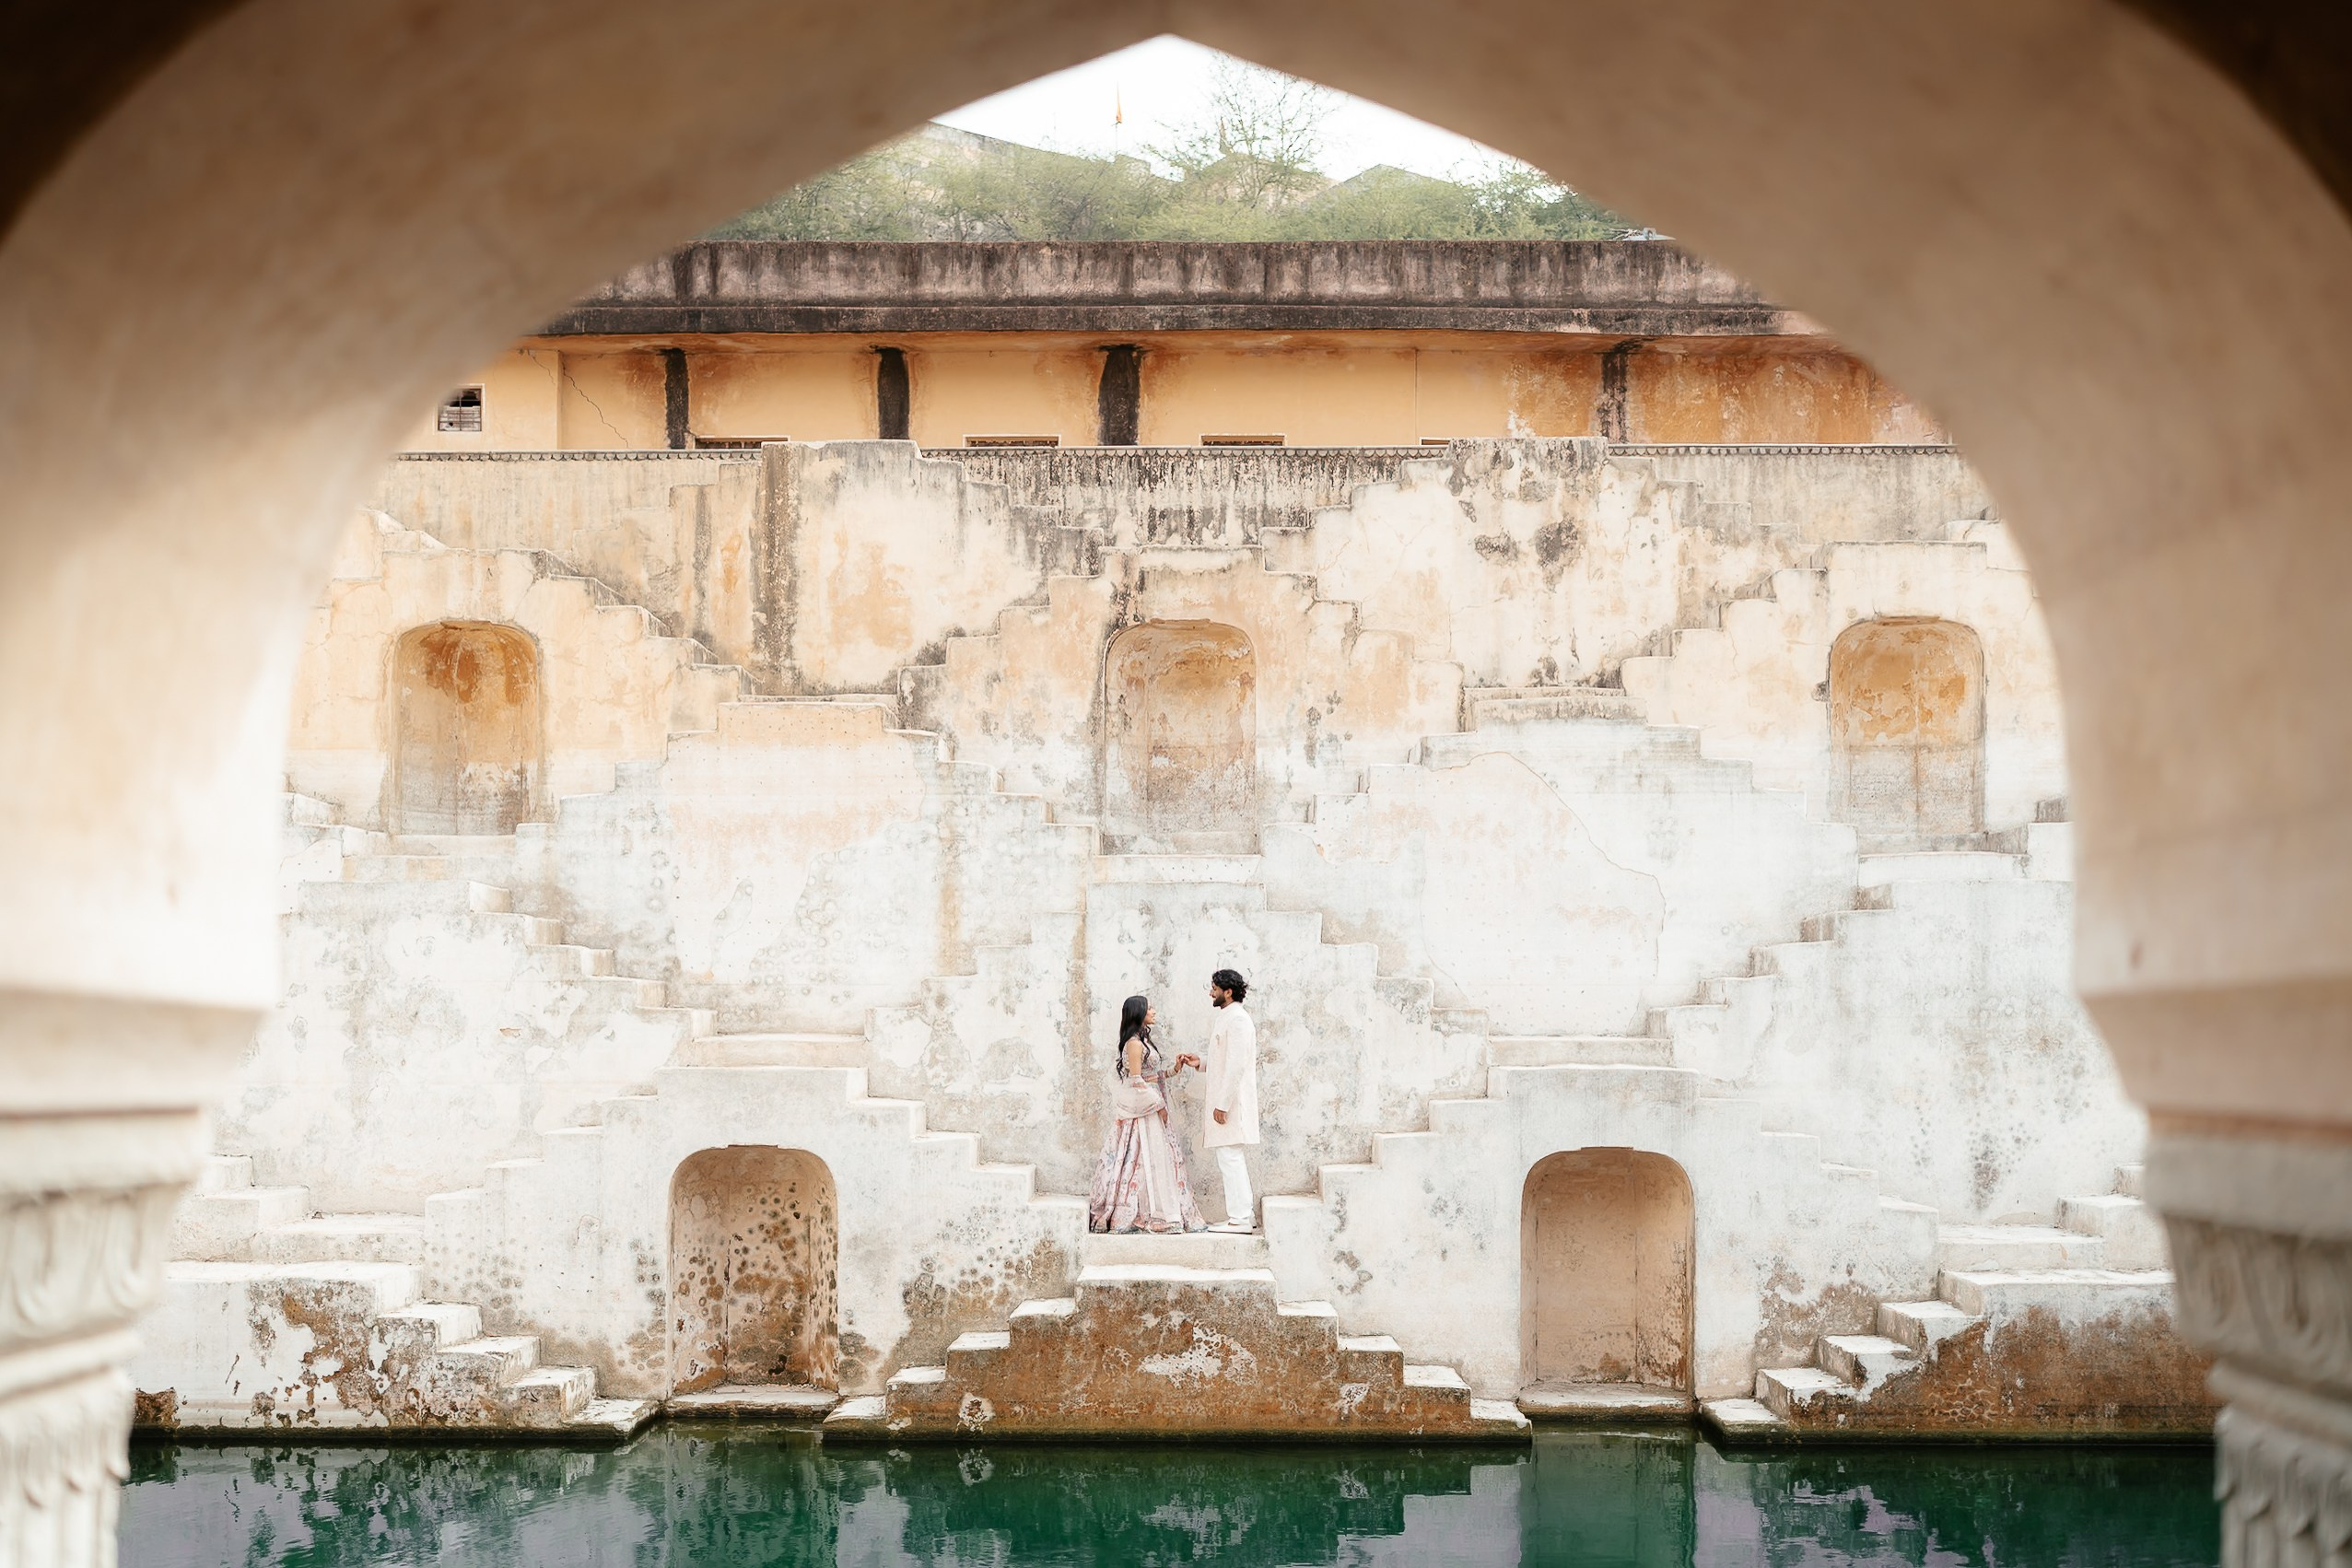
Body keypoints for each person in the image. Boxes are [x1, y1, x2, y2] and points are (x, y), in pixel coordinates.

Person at [1086, 994, 1208, 1235]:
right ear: (1138, 1013)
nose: (1153, 1010)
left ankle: (1161, 1210)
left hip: (1151, 1105)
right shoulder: (1133, 1042)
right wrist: (1159, 1105)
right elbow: (1137, 1081)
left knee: (1155, 1160)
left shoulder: (1144, 1040)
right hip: (1145, 1110)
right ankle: (1139, 1213)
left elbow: (1154, 1075)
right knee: (1140, 1159)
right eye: (1149, 1007)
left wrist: (1176, 1068)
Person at [1202, 968, 1260, 1235]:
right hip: (1226, 1101)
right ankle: (1244, 1215)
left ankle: (1239, 1218)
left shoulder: (1237, 1019)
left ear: (1228, 991)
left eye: (1214, 988)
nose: (1211, 992)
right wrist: (1199, 1063)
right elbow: (1223, 1060)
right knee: (1230, 1157)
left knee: (1230, 1157)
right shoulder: (1227, 1017)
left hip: (1232, 1103)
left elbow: (1236, 1065)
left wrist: (1223, 1103)